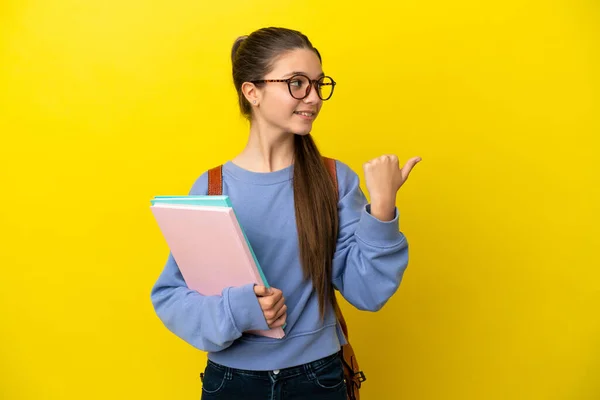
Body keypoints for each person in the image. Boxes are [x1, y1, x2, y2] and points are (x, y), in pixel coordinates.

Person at [150, 26, 421, 399]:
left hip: (319, 379)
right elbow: (171, 296)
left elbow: (367, 292)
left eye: (317, 83)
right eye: (297, 83)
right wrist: (239, 309)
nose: (313, 97)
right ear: (252, 91)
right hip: (231, 383)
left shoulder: (333, 179)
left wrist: (383, 208)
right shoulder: (212, 187)